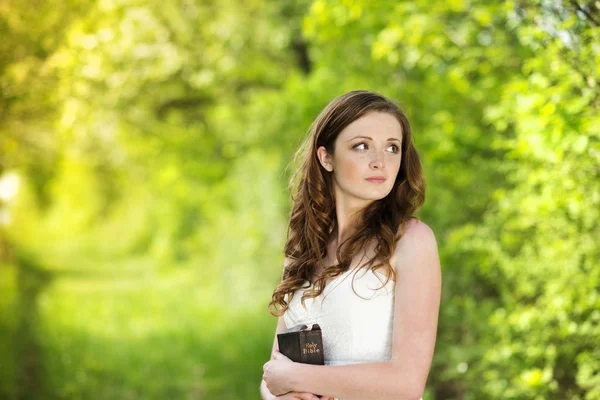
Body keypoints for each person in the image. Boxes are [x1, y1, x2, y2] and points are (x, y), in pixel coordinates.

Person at [259, 90, 441, 400]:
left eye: (392, 148)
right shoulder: (302, 252)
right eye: (361, 146)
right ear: (326, 157)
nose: (380, 162)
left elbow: (407, 383)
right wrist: (282, 395)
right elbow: (275, 375)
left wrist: (299, 378)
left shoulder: (411, 241)